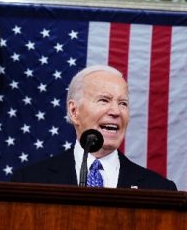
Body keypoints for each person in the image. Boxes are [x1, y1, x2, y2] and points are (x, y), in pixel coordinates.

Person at [12, 65, 177, 191]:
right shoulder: (30, 181)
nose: (116, 112)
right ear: (74, 111)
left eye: (123, 103)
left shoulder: (159, 188)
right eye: (104, 100)